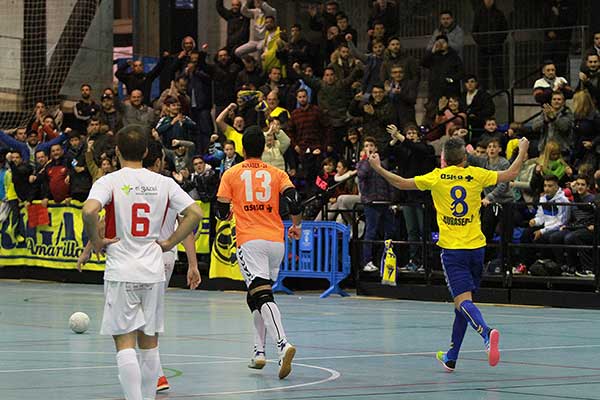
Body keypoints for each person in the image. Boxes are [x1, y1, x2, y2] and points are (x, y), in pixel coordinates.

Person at [368, 136, 530, 371]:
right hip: (477, 248)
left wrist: (378, 168)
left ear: (443, 159)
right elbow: (511, 174)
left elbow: (402, 183)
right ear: (464, 158)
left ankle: (486, 333)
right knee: (461, 305)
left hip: (454, 250)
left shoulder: (437, 177)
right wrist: (522, 149)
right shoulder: (476, 174)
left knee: (463, 302)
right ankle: (451, 356)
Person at [81, 125, 203, 400]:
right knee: (150, 345)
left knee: (125, 343)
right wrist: (170, 243)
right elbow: (195, 213)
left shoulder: (109, 181)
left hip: (122, 271)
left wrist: (96, 242)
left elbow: (89, 211)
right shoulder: (164, 183)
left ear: (116, 152)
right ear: (147, 151)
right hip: (153, 271)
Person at [216, 126, 302, 379]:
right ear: (263, 148)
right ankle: (258, 352)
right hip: (276, 240)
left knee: (262, 295)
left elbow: (221, 210)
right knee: (256, 295)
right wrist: (296, 225)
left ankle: (282, 344)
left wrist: (231, 211)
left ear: (242, 149)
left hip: (250, 240)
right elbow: (293, 200)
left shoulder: (231, 173)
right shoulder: (277, 173)